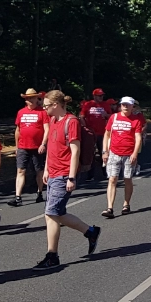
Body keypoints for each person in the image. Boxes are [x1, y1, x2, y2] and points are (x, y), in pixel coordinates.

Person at [35, 90, 101, 269]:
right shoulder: (53, 120)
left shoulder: (71, 122)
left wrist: (71, 177)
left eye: (47, 105)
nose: (44, 108)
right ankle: (91, 232)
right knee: (58, 213)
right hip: (54, 172)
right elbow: (50, 147)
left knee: (51, 214)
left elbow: (75, 151)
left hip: (64, 174)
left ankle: (52, 255)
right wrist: (47, 168)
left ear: (56, 105)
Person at [101, 97, 145, 217]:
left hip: (129, 154)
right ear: (120, 105)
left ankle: (126, 204)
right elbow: (107, 134)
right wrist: (105, 151)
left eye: (128, 105)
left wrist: (135, 153)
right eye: (123, 104)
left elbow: (138, 138)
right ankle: (110, 207)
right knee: (112, 179)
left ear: (132, 107)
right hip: (114, 153)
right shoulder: (114, 117)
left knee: (127, 179)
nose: (125, 106)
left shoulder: (136, 120)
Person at [11, 89, 49, 207]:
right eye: (28, 98)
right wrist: (17, 146)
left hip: (37, 147)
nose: (30, 100)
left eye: (32, 98)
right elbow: (18, 130)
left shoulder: (42, 112)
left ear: (36, 98)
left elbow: (47, 128)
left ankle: (39, 192)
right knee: (20, 170)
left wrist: (43, 143)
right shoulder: (21, 112)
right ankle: (18, 197)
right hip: (23, 146)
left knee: (39, 170)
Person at [79, 88, 114, 184]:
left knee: (104, 152)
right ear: (94, 96)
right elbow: (81, 116)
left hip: (102, 133)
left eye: (102, 95)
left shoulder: (105, 105)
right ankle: (90, 174)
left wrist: (106, 114)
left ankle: (106, 172)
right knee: (91, 154)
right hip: (91, 133)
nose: (101, 97)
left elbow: (111, 117)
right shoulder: (88, 104)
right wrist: (85, 127)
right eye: (99, 96)